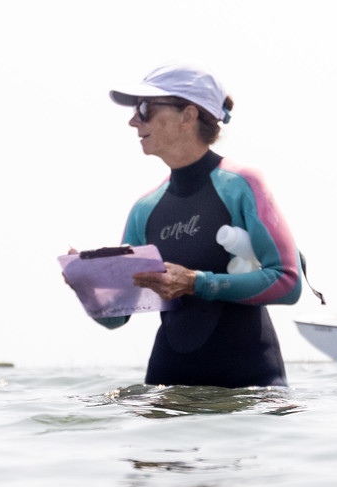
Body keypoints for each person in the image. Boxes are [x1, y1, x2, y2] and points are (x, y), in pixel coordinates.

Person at [96, 65, 303, 388]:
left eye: (145, 109)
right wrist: (88, 287)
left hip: (249, 391)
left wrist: (196, 283)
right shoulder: (144, 209)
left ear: (188, 115)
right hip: (167, 391)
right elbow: (116, 317)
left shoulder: (241, 184)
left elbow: (289, 283)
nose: (134, 120)